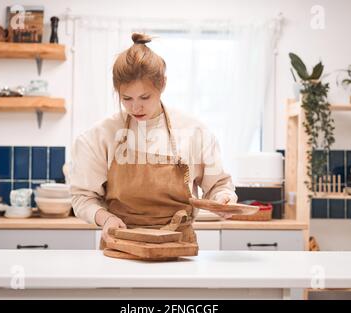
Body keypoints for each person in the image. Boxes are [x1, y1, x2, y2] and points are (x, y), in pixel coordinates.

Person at [70, 33, 238, 247]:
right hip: (121, 245)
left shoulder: (194, 131)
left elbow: (218, 185)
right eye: (126, 99)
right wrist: (106, 219)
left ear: (163, 85)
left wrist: (223, 199)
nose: (135, 107)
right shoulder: (99, 136)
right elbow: (83, 197)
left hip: (178, 248)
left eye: (145, 97)